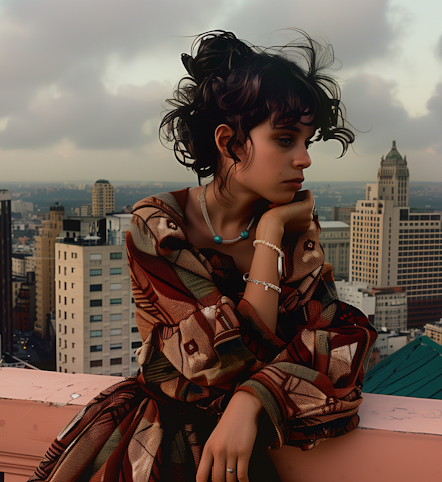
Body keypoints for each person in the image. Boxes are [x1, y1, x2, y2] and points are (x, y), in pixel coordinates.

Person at [30, 30, 376, 482]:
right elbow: (221, 359)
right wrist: (271, 236)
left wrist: (252, 399)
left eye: (308, 141)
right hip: (154, 446)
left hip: (246, 449)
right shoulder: (157, 227)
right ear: (229, 142)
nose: (305, 159)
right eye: (286, 139)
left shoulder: (292, 228)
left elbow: (343, 337)